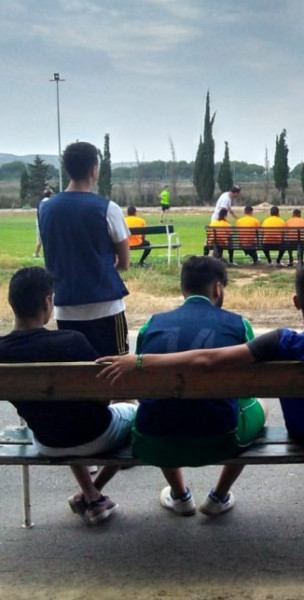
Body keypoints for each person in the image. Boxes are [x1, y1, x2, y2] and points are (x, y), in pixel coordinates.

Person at [97, 262, 304, 486]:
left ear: (296, 302)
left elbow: (207, 359)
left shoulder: (280, 341)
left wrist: (139, 361)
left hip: (303, 434)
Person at [127, 256, 267, 517]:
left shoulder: (152, 324)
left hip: (154, 440)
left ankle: (179, 495)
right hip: (220, 439)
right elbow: (248, 386)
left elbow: (140, 386)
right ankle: (219, 495)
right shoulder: (238, 324)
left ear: (183, 288)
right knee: (261, 407)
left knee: (159, 408)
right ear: (217, 288)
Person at [0, 267, 136, 525]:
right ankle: (94, 496)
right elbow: (103, 398)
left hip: (46, 440)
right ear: (47, 301)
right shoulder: (72, 342)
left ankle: (92, 496)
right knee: (137, 414)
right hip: (97, 435)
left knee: (59, 415)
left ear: (12, 303)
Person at [38, 141, 131, 357]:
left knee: (76, 374)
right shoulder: (108, 208)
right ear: (93, 169)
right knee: (115, 373)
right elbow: (125, 263)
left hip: (65, 305)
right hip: (106, 305)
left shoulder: (45, 209)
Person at [32, 188, 53, 258]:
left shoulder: (40, 202)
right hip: (45, 222)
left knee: (39, 240)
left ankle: (36, 254)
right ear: (50, 195)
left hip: (39, 222)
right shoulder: (50, 202)